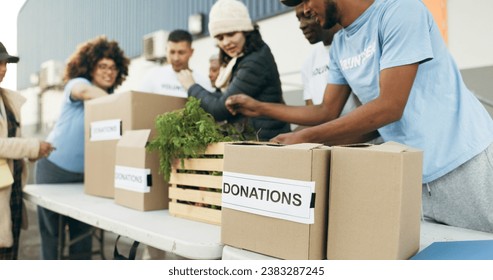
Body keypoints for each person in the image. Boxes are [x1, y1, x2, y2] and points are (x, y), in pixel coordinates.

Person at [227, 0, 493, 233]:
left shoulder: (400, 11)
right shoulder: (341, 44)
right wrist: (262, 110)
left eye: (307, 0)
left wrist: (303, 137)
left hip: (465, 163)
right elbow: (325, 112)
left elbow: (389, 106)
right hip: (414, 176)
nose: (306, 10)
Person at [35, 36, 129, 259]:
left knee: (82, 240)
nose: (109, 72)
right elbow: (85, 93)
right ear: (90, 68)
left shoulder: (113, 100)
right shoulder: (80, 85)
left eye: (113, 67)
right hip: (53, 171)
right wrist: (124, 104)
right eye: (102, 66)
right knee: (52, 239)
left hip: (85, 178)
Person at [177, 0, 291, 141]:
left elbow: (220, 109)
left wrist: (191, 86)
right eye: (220, 37)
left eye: (231, 34)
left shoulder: (255, 61)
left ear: (245, 30)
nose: (225, 42)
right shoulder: (239, 58)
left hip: (265, 141)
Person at [0, 42, 54, 260]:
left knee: (10, 252)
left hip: (9, 189)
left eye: (5, 63)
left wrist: (31, 152)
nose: (3, 68)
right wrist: (33, 146)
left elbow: (12, 140)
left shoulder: (6, 99)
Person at [138, 29, 213, 97]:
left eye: (181, 52)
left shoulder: (203, 82)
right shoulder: (153, 76)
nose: (176, 58)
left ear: (191, 52)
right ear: (166, 50)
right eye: (172, 52)